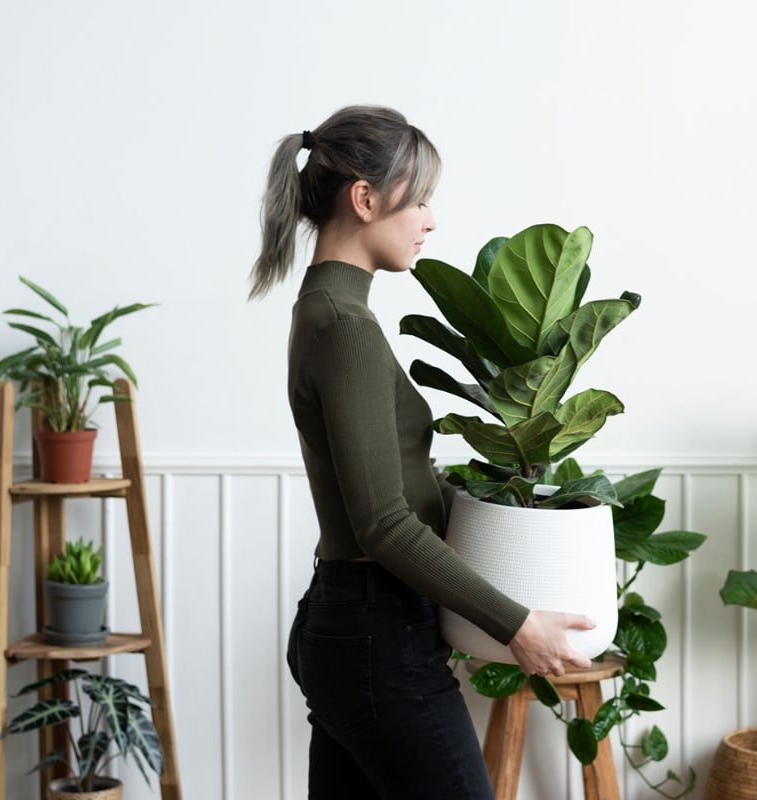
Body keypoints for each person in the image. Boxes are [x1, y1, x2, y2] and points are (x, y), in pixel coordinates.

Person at [249, 105, 596, 799]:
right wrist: (518, 625)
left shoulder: (328, 313)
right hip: (378, 639)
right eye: (423, 197)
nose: (432, 219)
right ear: (366, 198)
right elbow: (383, 522)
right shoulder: (343, 326)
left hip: (353, 627)